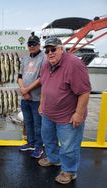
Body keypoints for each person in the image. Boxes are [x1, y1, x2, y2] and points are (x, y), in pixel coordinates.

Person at [38, 37, 91, 184]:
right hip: (48, 114)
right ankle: (54, 159)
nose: (50, 53)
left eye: (53, 49)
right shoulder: (46, 65)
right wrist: (42, 104)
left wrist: (79, 114)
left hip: (68, 117)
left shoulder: (74, 64)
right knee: (48, 139)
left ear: (62, 49)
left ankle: (69, 171)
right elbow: (44, 85)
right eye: (47, 50)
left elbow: (84, 92)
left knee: (69, 147)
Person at [17, 32, 45, 158]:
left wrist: (27, 90)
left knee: (38, 125)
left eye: (34, 44)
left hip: (37, 98)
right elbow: (19, 76)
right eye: (29, 44)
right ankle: (31, 143)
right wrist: (23, 90)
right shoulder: (25, 58)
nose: (31, 46)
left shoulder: (44, 57)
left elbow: (42, 78)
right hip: (25, 98)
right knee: (28, 123)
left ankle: (39, 147)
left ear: (39, 45)